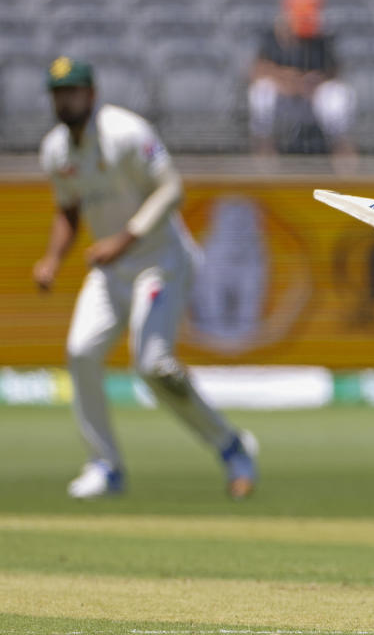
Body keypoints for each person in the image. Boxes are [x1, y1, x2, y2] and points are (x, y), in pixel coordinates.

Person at [33, 57, 258, 500]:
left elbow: (172, 189)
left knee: (153, 367)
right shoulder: (56, 151)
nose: (66, 100)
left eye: (73, 91)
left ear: (91, 94)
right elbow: (69, 210)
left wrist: (126, 238)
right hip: (112, 270)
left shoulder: (126, 133)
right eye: (59, 93)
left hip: (162, 262)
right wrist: (52, 259)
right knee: (80, 352)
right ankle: (105, 466)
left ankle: (231, 447)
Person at [248, 0, 356, 161]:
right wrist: (284, 79)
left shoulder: (322, 38)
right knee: (262, 91)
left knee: (338, 93)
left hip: (312, 98)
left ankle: (343, 156)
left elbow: (334, 71)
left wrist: (316, 81)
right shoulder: (272, 36)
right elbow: (256, 71)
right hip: (284, 98)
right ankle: (265, 154)